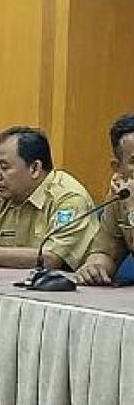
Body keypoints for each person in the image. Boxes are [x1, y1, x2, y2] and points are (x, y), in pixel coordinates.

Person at [0, 126, 97, 269]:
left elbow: (51, 259)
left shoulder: (70, 199)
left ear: (35, 168)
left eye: (4, 167)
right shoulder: (5, 200)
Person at [75, 114, 134, 286]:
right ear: (118, 168)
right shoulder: (121, 196)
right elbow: (107, 251)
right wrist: (94, 266)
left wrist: (132, 210)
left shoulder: (129, 201)